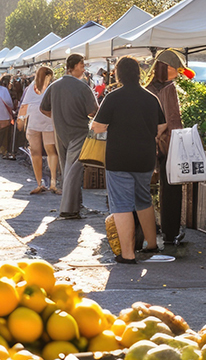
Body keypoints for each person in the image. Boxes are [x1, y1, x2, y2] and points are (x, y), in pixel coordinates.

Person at [93, 56, 166, 264]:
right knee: (143, 199)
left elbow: (98, 126)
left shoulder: (113, 97)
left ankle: (128, 254)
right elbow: (162, 126)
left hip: (119, 158)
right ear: (138, 73)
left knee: (122, 204)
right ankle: (151, 244)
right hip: (145, 158)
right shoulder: (151, 98)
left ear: (118, 74)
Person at [42, 54, 100, 220]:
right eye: (82, 65)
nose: (83, 68)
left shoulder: (54, 86)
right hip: (78, 131)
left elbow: (44, 108)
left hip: (60, 131)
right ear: (74, 66)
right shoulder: (82, 87)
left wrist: (57, 117)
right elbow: (93, 112)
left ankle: (75, 205)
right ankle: (68, 209)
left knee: (67, 168)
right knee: (73, 171)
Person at [149, 59, 186, 247]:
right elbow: (173, 119)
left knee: (145, 190)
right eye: (175, 68)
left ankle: (151, 230)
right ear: (165, 68)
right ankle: (170, 233)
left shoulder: (148, 88)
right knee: (171, 189)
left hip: (149, 144)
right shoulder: (169, 88)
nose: (178, 71)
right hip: (168, 145)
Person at [20, 66, 61, 195]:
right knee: (51, 152)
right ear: (48, 76)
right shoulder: (52, 86)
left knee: (35, 153)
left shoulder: (31, 87)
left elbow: (24, 106)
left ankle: (39, 183)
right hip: (48, 121)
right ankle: (53, 182)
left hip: (34, 122)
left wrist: (20, 120)